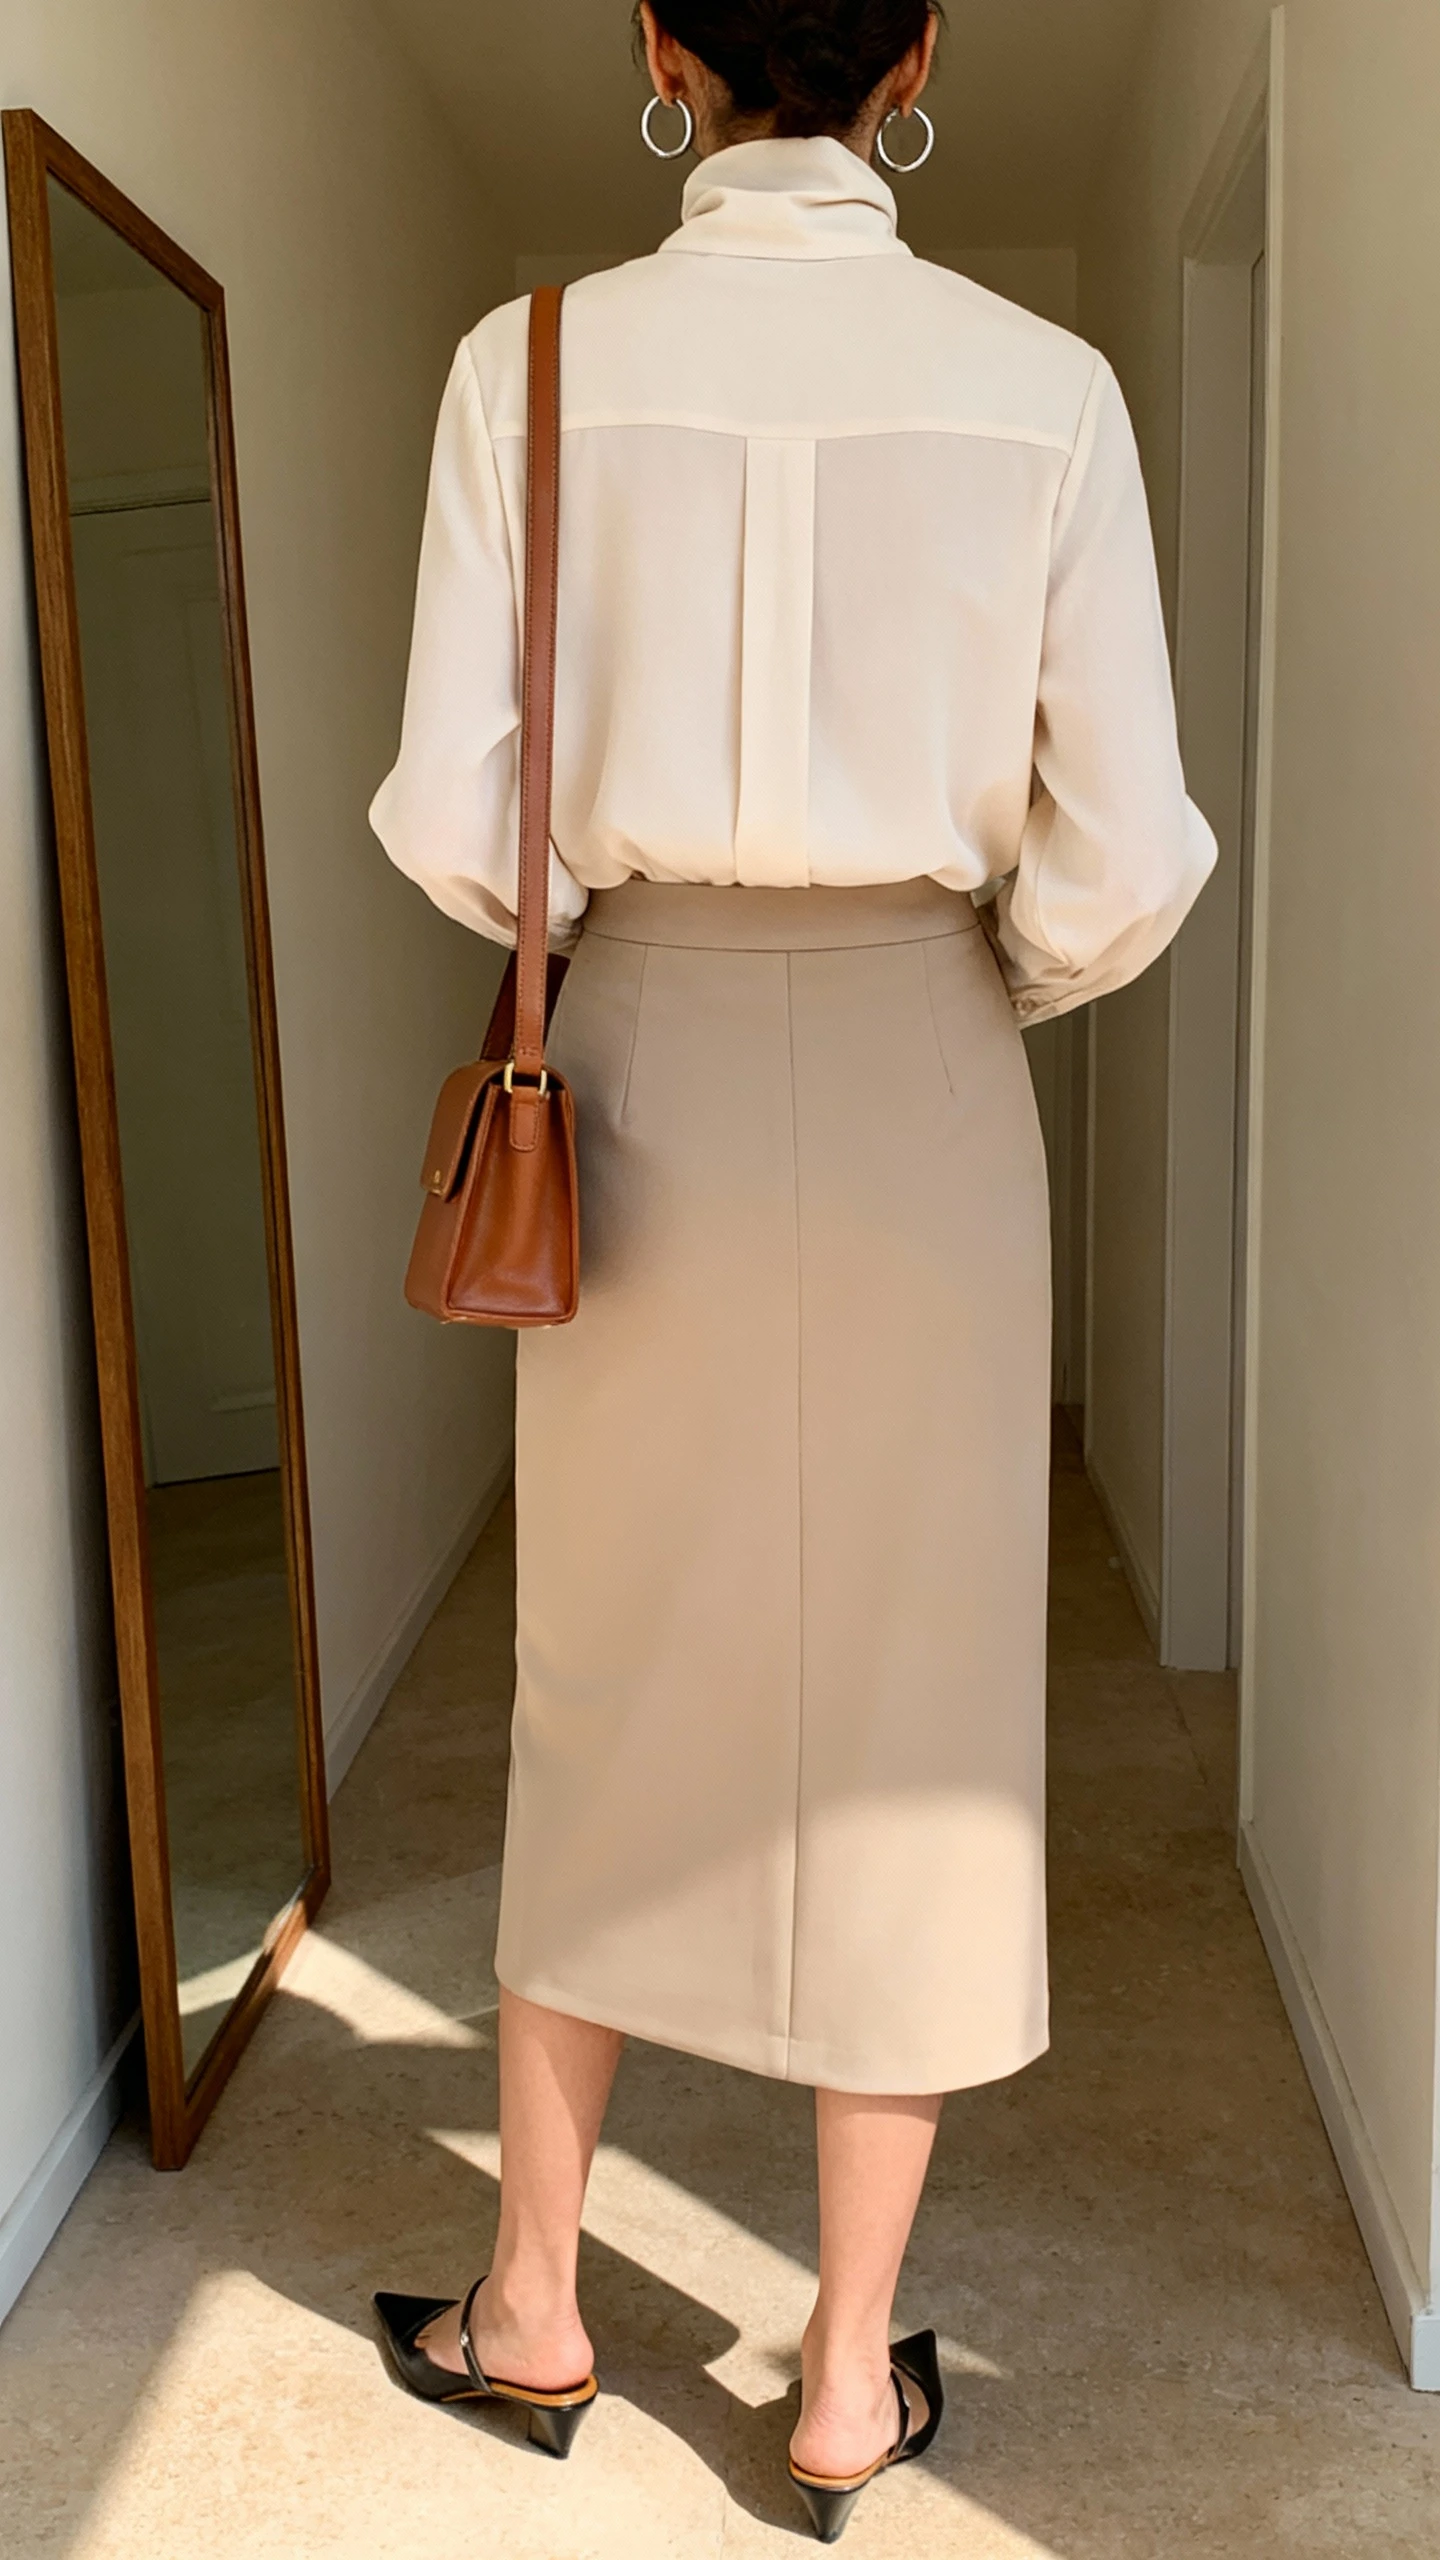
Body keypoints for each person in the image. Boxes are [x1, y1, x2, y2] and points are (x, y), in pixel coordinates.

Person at [369, 0, 1215, 2536]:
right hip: (935, 1068)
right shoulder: (1044, 385)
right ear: (923, 48)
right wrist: (974, 980)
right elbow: (1131, 850)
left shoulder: (530, 369)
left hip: (624, 1073)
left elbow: (450, 814)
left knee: (598, 1668)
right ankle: (847, 2372)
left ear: (658, 41)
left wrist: (639, 937)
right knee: (921, 1707)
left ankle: (535, 2305)